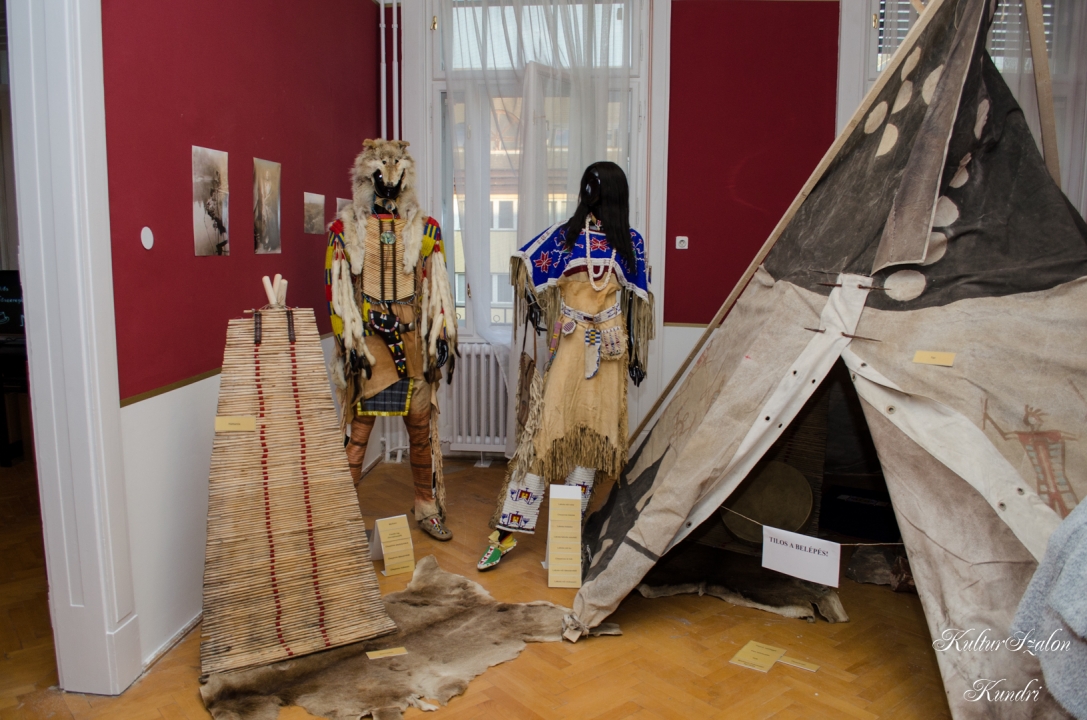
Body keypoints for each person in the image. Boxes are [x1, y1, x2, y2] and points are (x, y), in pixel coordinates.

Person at [478, 161, 653, 570]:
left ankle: (566, 538)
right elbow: (524, 264)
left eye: (597, 185)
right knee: (544, 440)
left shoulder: (630, 242)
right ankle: (505, 533)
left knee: (590, 446)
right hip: (571, 347)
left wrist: (636, 356)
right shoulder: (565, 236)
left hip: (609, 355)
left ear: (612, 192)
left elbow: (636, 301)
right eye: (586, 184)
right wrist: (541, 309)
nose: (589, 191)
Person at [326, 139, 458, 540]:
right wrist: (347, 342)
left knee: (420, 430)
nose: (388, 181)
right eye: (380, 172)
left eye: (395, 171)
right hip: (369, 343)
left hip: (412, 340)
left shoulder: (426, 230)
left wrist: (440, 333)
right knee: (358, 433)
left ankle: (426, 506)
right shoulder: (345, 230)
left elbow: (438, 286)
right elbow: (336, 291)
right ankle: (343, 521)